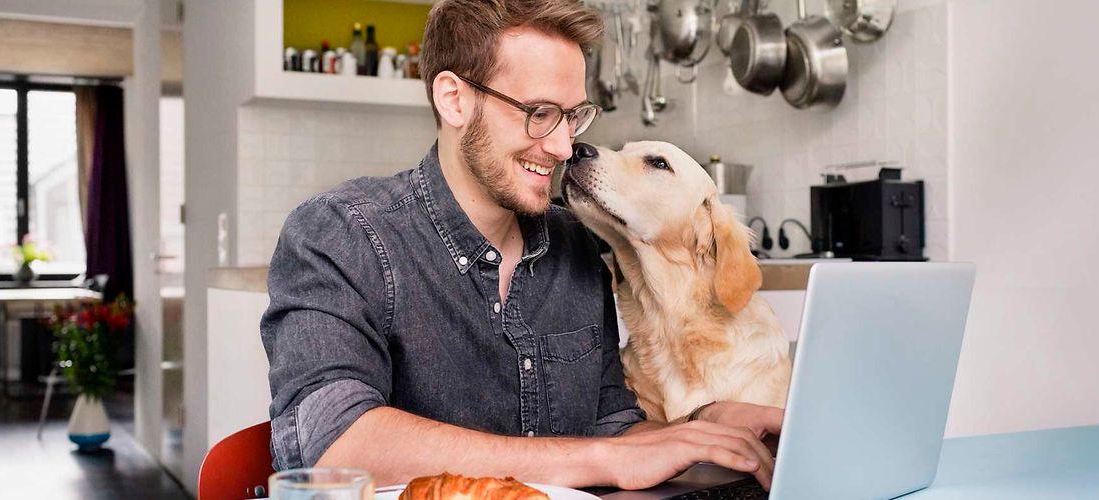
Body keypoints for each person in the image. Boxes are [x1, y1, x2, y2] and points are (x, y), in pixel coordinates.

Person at [261, 0, 783, 490]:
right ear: (455, 99)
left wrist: (705, 425)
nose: (561, 147)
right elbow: (331, 442)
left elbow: (612, 426)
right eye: (539, 112)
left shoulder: (579, 247)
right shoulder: (340, 234)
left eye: (572, 116)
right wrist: (599, 458)